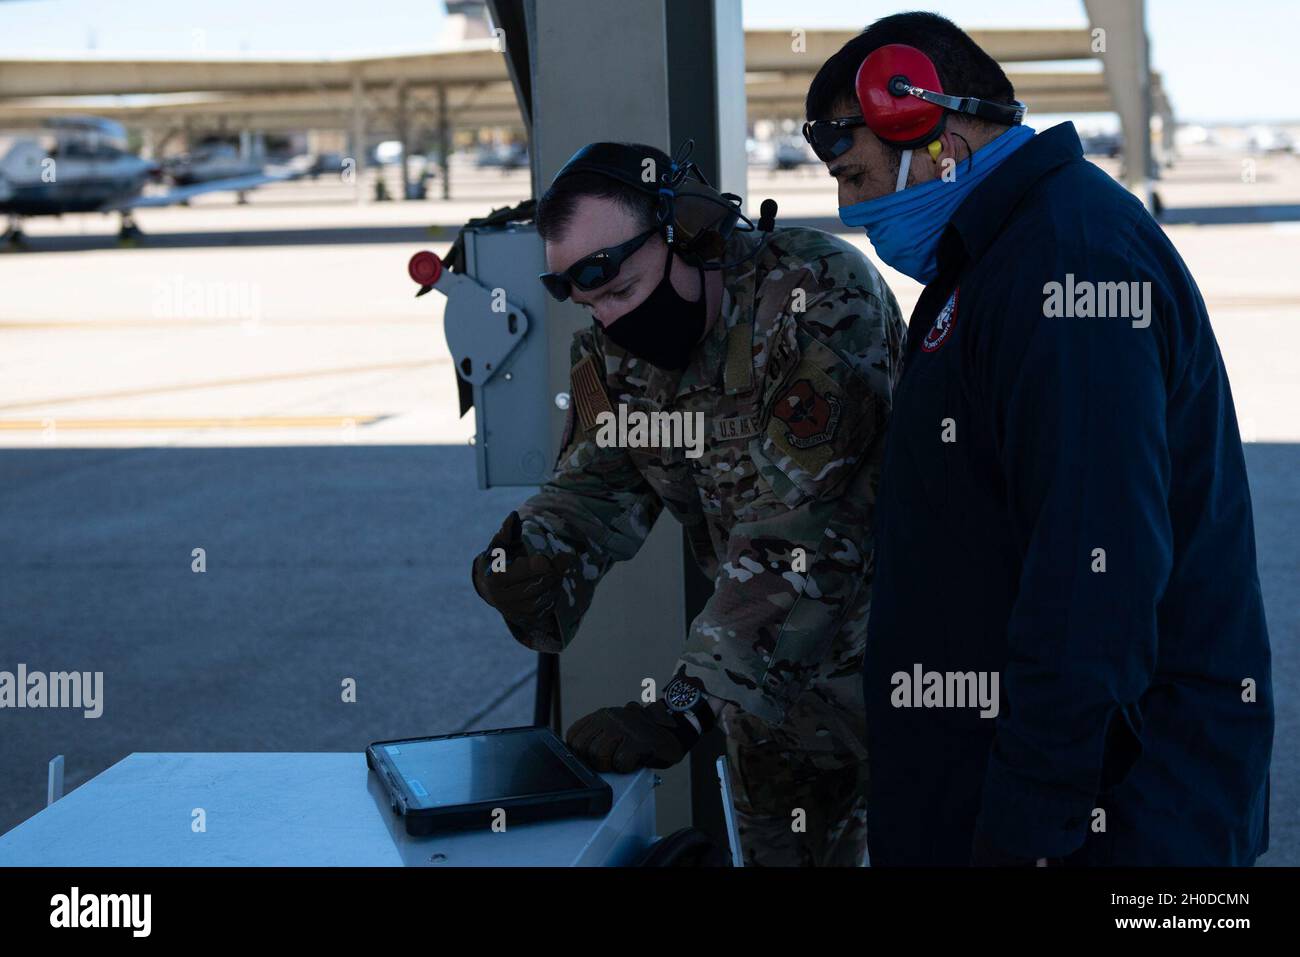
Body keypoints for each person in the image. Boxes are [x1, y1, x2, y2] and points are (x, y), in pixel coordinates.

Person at [803, 11, 1273, 866]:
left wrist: (1027, 832)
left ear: (928, 128)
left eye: (858, 175)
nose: (852, 208)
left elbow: (1094, 584)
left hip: (1109, 824)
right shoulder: (993, 258)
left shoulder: (1068, 261)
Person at [471, 141, 904, 865]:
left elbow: (803, 529)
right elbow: (592, 484)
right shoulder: (607, 355)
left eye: (621, 290)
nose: (610, 322)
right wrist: (532, 556)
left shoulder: (817, 296)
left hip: (901, 682)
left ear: (690, 230)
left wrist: (681, 706)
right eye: (589, 303)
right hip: (770, 706)